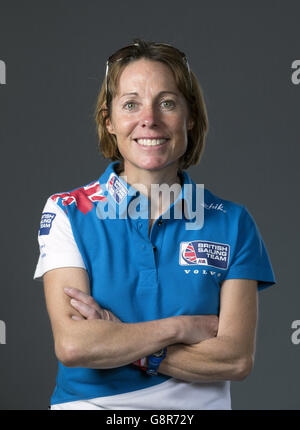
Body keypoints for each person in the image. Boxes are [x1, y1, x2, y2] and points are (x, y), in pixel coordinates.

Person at [33, 39, 276, 410]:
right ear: (109, 121)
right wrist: (180, 329)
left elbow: (235, 359)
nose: (149, 119)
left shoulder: (233, 222)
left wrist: (133, 347)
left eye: (167, 103)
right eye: (131, 104)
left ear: (189, 117)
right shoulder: (67, 211)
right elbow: (74, 345)